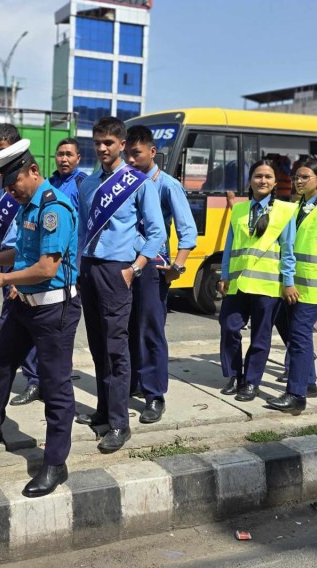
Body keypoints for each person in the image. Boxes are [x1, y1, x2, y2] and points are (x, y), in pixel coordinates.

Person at [0, 140, 82, 498]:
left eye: (15, 184)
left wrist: (1, 278)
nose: (11, 192)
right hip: (25, 305)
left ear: (34, 171)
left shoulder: (53, 208)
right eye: (7, 188)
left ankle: (55, 463)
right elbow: (23, 252)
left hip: (53, 308)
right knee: (0, 364)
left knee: (55, 385)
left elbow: (46, 267)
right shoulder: (27, 206)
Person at [75, 116, 165, 453]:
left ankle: (119, 424)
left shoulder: (139, 183)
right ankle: (103, 411)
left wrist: (135, 268)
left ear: (122, 145)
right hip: (90, 268)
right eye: (97, 142)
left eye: (109, 143)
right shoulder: (87, 185)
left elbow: (156, 232)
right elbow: (84, 230)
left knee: (116, 347)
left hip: (118, 270)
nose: (102, 148)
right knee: (98, 346)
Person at [124, 126, 197, 423]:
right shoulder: (125, 182)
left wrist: (176, 267)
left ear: (152, 152)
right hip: (124, 267)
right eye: (127, 153)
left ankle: (155, 395)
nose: (130, 159)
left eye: (136, 154)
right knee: (126, 330)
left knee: (151, 331)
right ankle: (131, 385)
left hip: (153, 267)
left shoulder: (167, 185)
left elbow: (187, 230)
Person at [267, 160, 317, 415]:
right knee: (292, 332)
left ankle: (296, 395)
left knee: (300, 335)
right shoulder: (295, 207)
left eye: (304, 177)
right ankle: (308, 383)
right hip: (291, 283)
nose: (298, 181)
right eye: (296, 177)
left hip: (314, 285)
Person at [11, 137, 85, 405]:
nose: (64, 159)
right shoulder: (43, 189)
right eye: (60, 154)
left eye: (69, 154)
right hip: (32, 287)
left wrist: (4, 277)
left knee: (57, 379)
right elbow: (26, 247)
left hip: (59, 282)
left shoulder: (73, 190)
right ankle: (33, 382)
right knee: (6, 360)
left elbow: (48, 265)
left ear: (78, 157)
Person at [217, 160, 297, 401]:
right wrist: (224, 275)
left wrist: (289, 281)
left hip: (268, 284)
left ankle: (252, 382)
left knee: (260, 337)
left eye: (268, 177)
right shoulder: (239, 210)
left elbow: (288, 249)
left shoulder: (285, 211)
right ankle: (234, 375)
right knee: (229, 327)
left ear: (275, 183)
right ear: (250, 180)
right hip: (239, 282)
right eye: (258, 176)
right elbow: (230, 247)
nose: (263, 180)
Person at [0, 124, 41, 408]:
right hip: (8, 259)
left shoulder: (29, 188)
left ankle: (34, 380)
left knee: (19, 326)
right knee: (12, 324)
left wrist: (14, 279)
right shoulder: (2, 187)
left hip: (24, 266)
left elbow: (31, 246)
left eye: (4, 152)